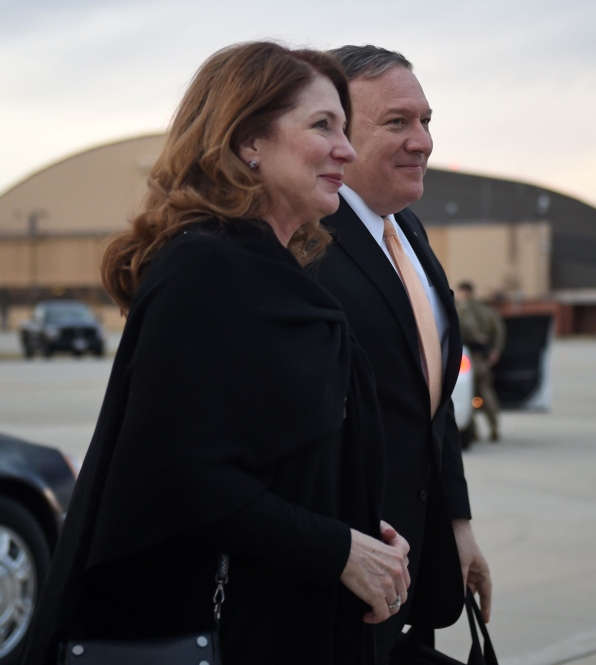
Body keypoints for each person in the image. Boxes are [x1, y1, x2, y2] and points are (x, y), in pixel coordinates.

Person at [19, 42, 411, 665]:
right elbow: (178, 476)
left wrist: (358, 528)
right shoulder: (203, 271)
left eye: (345, 127)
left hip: (288, 617)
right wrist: (335, 548)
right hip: (221, 630)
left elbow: (276, 458)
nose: (348, 149)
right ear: (247, 142)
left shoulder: (277, 272)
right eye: (322, 126)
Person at [318, 45, 491, 661]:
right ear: (334, 133)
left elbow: (428, 405)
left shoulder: (408, 229)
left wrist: (457, 524)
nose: (422, 141)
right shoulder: (304, 242)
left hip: (416, 568)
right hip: (341, 583)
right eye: (397, 123)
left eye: (426, 121)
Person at [455, 281, 506, 442]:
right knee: (486, 392)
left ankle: (472, 430)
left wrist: (477, 339)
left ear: (463, 292)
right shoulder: (487, 310)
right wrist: (495, 351)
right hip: (483, 358)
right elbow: (499, 330)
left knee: (468, 394)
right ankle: (494, 426)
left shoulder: (463, 308)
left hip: (469, 356)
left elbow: (465, 326)